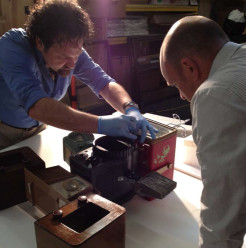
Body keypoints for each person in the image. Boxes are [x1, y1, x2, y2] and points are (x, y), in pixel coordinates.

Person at [156, 15, 246, 248]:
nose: (182, 96)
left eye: (175, 84)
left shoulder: (214, 94)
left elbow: (224, 196)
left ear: (189, 67)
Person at [0, 0, 156, 150]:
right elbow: (37, 106)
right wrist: (101, 124)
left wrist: (130, 107)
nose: (72, 64)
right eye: (62, 57)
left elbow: (103, 82)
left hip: (39, 129)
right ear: (39, 42)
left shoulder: (70, 49)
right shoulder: (13, 48)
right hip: (5, 133)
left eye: (75, 56)